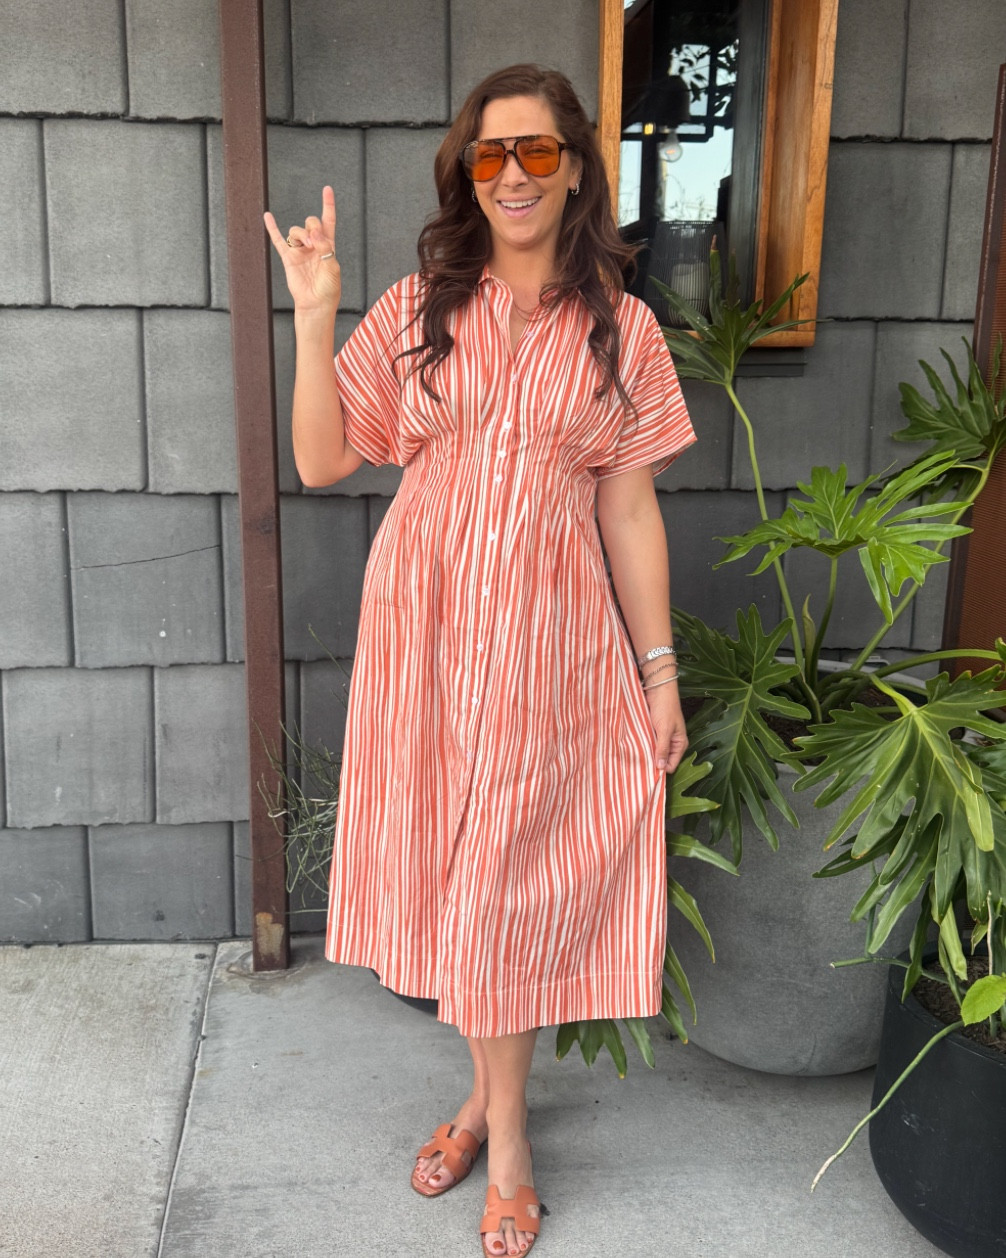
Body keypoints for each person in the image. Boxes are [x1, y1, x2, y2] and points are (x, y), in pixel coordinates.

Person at [265, 63, 695, 1258]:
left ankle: (499, 1139)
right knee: (465, 885)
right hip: (428, 635)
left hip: (552, 644)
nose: (512, 176)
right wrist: (312, 316)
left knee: (509, 888)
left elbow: (628, 513)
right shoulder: (417, 308)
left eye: (538, 153)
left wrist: (658, 672)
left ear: (574, 171)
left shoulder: (625, 329)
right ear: (468, 172)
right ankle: (488, 1106)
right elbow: (320, 460)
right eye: (490, 156)